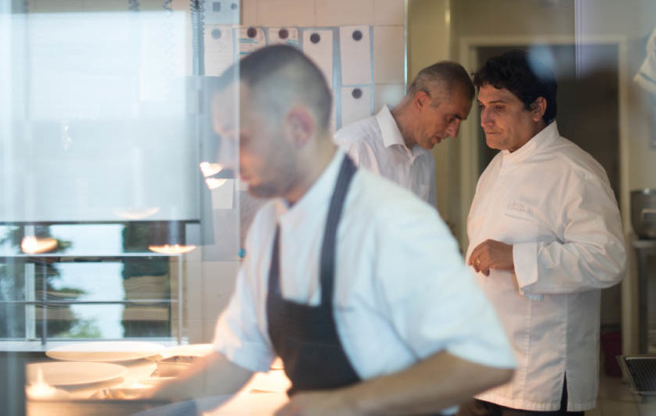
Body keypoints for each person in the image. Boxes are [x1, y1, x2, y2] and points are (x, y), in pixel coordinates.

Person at [153, 45, 515, 415]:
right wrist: (140, 404)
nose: (225, 159)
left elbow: (485, 358)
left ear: (298, 127)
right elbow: (237, 356)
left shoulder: (397, 218)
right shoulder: (269, 228)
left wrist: (344, 403)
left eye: (240, 138)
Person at [461, 50, 627, 416]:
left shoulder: (574, 171)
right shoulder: (496, 168)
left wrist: (517, 256)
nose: (484, 120)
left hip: (540, 379)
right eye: (483, 106)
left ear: (537, 108)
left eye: (499, 107)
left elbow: (608, 260)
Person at [334, 61, 473, 206]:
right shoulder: (354, 145)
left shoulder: (425, 156)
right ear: (421, 101)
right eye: (450, 119)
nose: (454, 133)